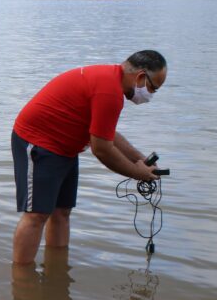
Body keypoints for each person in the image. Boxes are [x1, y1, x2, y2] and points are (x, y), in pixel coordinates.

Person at [11, 50, 167, 264]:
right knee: (36, 215)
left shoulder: (112, 84)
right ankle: (22, 279)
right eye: (153, 88)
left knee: (62, 212)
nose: (150, 95)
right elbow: (102, 149)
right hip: (38, 142)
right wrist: (137, 173)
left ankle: (57, 270)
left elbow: (106, 133)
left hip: (65, 148)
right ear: (140, 77)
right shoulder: (109, 91)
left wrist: (138, 158)